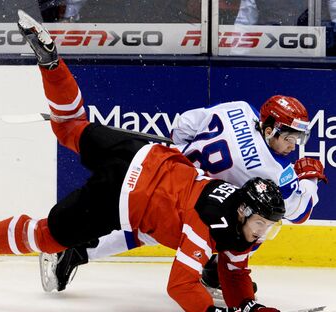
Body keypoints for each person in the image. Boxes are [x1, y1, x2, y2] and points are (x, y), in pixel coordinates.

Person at [0, 10, 292, 312]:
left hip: (141, 152)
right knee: (48, 236)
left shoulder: (239, 207)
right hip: (122, 194)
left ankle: (52, 65)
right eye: (262, 224)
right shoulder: (207, 226)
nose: (263, 233)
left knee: (70, 126)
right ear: (244, 213)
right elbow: (181, 284)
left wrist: (249, 307)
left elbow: (235, 268)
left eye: (267, 227)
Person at [40, 93, 327, 296]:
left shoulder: (238, 108)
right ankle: (217, 272)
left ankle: (77, 249)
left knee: (143, 227)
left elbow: (185, 125)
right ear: (268, 129)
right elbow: (297, 212)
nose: (294, 145)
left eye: (299, 138)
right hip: (192, 202)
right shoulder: (269, 172)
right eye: (289, 137)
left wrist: (187, 154)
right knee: (255, 226)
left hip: (170, 171)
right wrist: (310, 177)